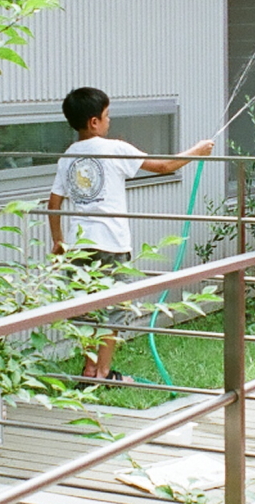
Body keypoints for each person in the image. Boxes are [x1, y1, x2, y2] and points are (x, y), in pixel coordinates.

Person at [48, 86, 213, 381]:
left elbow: (54, 203)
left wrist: (58, 241)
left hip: (77, 247)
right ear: (94, 122)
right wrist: (198, 151)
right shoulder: (114, 148)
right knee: (114, 309)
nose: (110, 121)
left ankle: (88, 369)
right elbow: (164, 166)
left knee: (85, 309)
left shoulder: (68, 156)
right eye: (107, 115)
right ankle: (104, 372)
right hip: (111, 245)